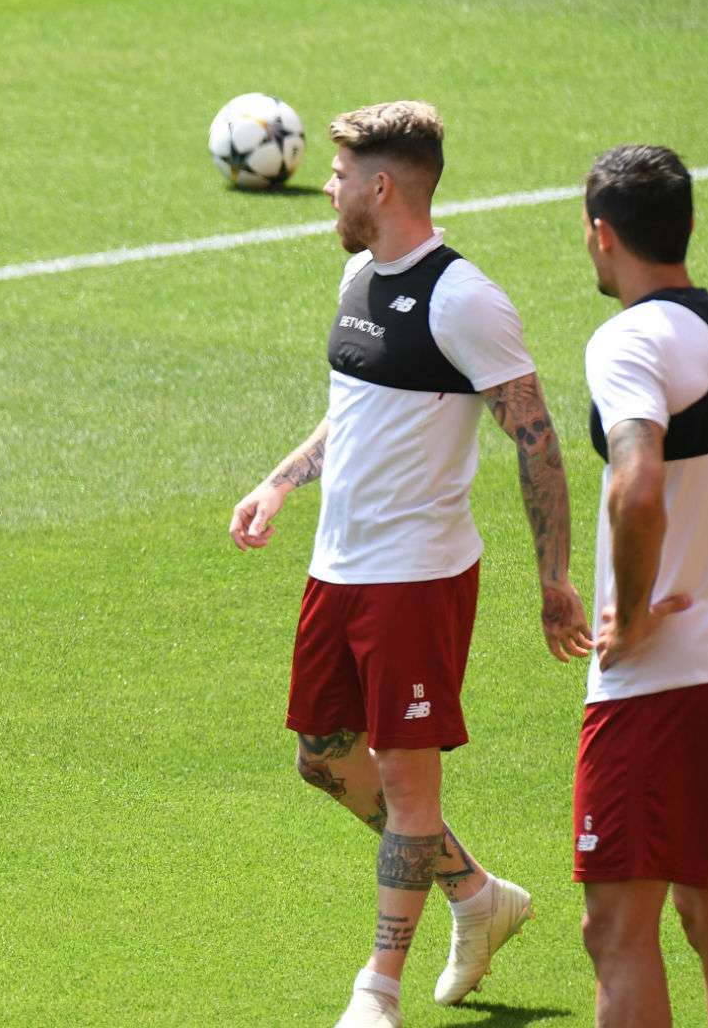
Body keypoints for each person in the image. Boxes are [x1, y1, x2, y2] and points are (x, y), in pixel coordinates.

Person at [227, 101, 591, 1027]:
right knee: (322, 757)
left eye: (343, 176)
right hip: (337, 566)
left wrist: (554, 579)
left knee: (404, 778)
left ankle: (376, 991)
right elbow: (352, 409)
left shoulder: (465, 300)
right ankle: (476, 895)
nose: (331, 188)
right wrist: (280, 482)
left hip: (417, 577)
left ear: (382, 186)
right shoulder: (357, 273)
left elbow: (537, 438)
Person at [576, 144, 708, 1027]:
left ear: (603, 235)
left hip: (663, 680)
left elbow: (636, 485)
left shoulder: (629, 340)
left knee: (616, 927)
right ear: (689, 226)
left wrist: (630, 619)